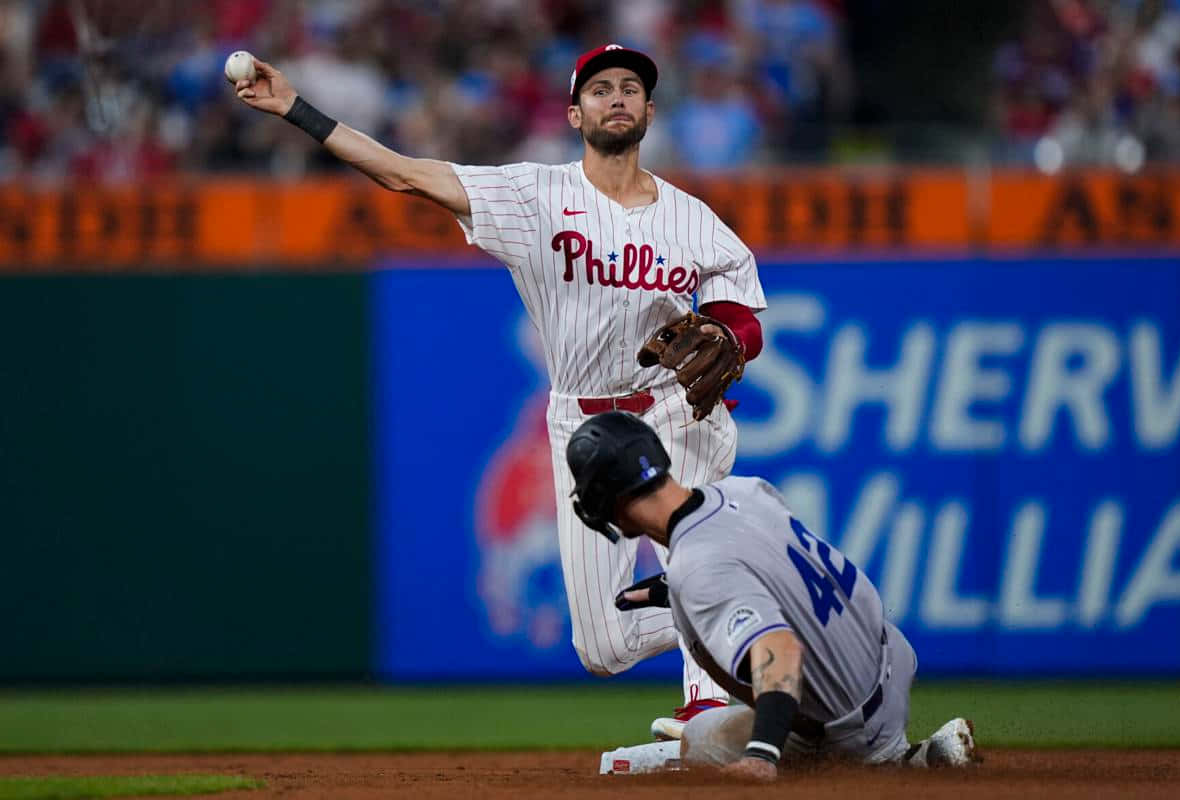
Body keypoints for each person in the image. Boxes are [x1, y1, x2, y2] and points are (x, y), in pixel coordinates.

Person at [231, 44, 766, 719]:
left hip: (674, 409)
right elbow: (402, 174)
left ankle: (712, 706)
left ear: (651, 111)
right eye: (601, 90)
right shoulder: (532, 196)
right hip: (586, 427)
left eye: (632, 87)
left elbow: (739, 319)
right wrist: (297, 111)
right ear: (575, 113)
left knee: (690, 555)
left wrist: (729, 336)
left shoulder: (695, 220)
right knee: (603, 645)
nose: (619, 97)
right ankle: (760, 612)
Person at [566, 411, 980, 782]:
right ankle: (904, 755)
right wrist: (672, 588)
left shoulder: (696, 567)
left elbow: (779, 650)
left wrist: (762, 753)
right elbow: (774, 571)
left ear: (605, 499)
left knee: (701, 740)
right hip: (890, 659)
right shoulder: (744, 491)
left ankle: (889, 764)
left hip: (850, 726)